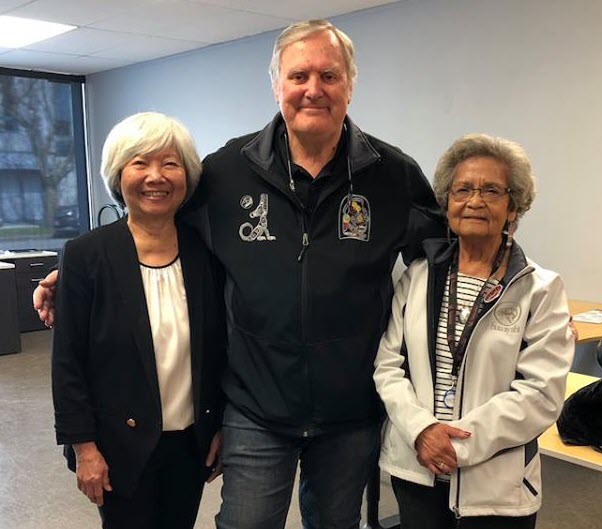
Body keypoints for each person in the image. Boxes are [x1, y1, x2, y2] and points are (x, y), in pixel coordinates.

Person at [36, 20, 445, 529]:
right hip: (255, 405)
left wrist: (513, 287)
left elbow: (444, 257)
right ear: (276, 85)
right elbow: (157, 223)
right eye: (298, 76)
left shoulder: (392, 175)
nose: (313, 89)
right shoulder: (229, 171)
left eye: (328, 75)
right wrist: (75, 273)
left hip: (351, 407)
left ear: (350, 84)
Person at [373, 133, 574, 529]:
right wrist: (421, 430)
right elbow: (388, 365)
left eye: (492, 190)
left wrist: (457, 444)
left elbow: (541, 393)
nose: (475, 201)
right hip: (417, 467)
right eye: (462, 189)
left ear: (513, 206)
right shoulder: (418, 276)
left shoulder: (540, 289)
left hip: (496, 484)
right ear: (447, 202)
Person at [51, 112, 226, 529]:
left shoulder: (206, 253)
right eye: (140, 163)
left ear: (186, 176)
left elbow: (221, 350)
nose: (155, 176)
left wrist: (220, 425)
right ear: (118, 174)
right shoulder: (86, 255)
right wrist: (84, 448)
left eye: (170, 164)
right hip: (118, 446)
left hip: (190, 443)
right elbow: (68, 363)